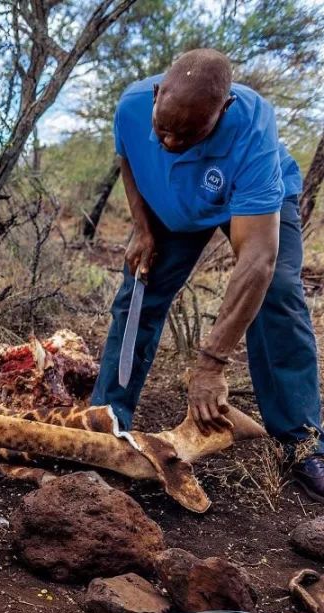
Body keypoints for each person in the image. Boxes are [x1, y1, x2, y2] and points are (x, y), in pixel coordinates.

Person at [92, 48, 324, 500]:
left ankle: (302, 443)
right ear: (157, 95)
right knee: (139, 288)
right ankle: (107, 421)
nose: (172, 143)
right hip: (174, 203)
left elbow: (258, 257)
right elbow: (131, 161)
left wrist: (211, 363)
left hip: (247, 195)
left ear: (224, 109)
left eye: (190, 133)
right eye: (164, 128)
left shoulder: (253, 130)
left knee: (276, 292)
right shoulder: (132, 106)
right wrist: (141, 228)